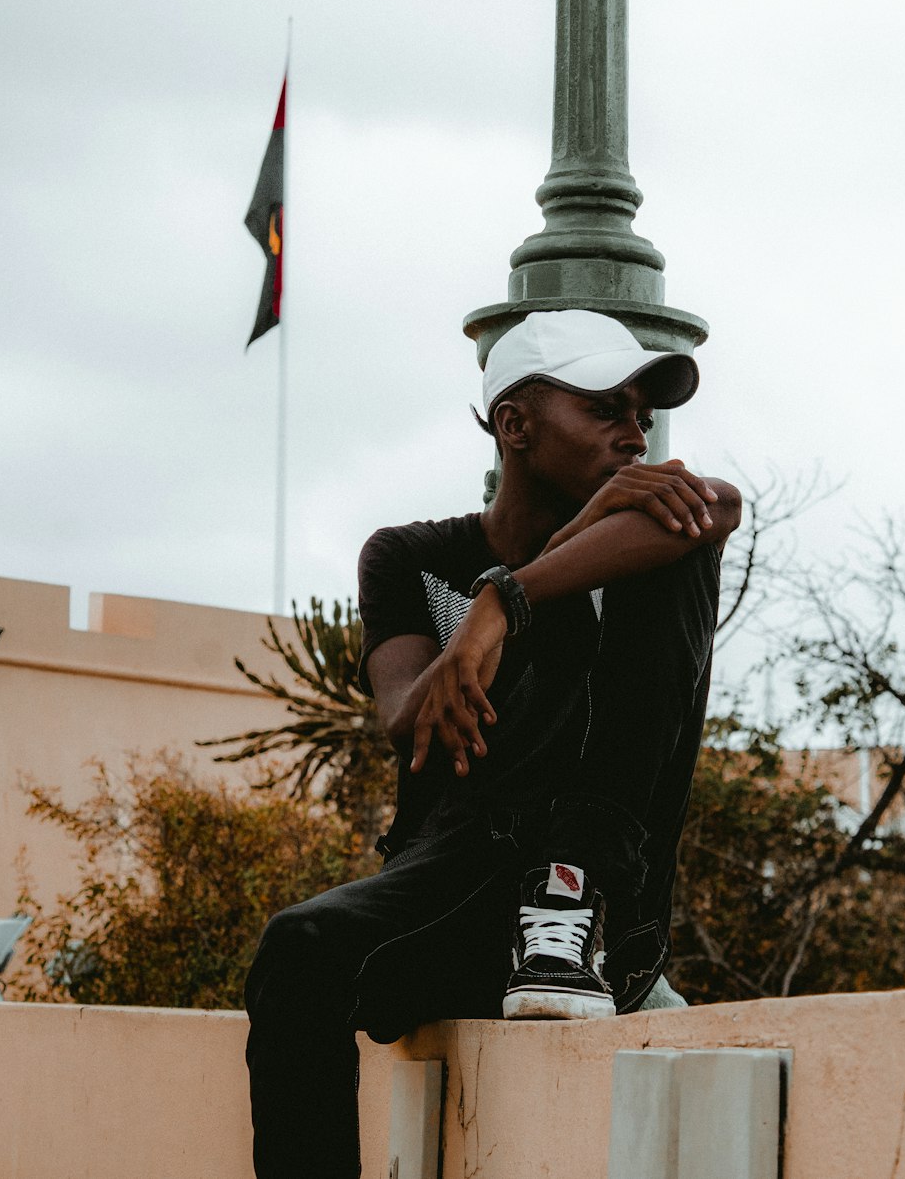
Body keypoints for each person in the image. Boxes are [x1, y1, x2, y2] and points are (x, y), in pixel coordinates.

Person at [244, 309, 741, 1179]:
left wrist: (506, 600)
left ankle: (571, 886)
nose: (636, 432)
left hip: (601, 922)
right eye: (604, 409)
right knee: (298, 948)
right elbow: (409, 722)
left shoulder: (645, 539)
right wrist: (511, 588)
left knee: (683, 532)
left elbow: (721, 505)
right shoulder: (411, 558)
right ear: (514, 424)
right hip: (456, 890)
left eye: (641, 411)